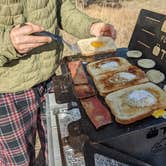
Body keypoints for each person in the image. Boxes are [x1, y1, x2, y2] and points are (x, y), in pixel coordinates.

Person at [0, 0, 116, 165]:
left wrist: (90, 26)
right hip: (7, 88)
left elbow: (59, 6)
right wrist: (6, 43)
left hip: (51, 79)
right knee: (18, 161)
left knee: (57, 150)